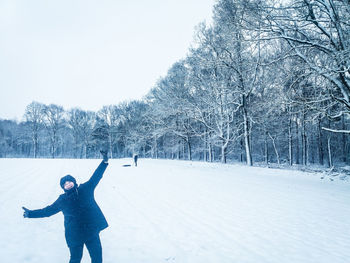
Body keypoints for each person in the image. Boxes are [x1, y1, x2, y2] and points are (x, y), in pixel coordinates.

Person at [22, 150, 109, 263]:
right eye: (65, 184)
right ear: (63, 187)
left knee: (97, 258)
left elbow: (96, 176)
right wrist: (31, 214)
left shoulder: (85, 189)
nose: (68, 184)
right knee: (75, 259)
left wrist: (104, 162)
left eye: (69, 182)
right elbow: (48, 211)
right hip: (74, 234)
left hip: (91, 230)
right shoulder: (62, 200)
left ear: (74, 182)